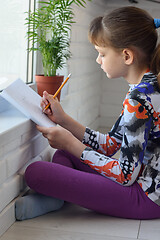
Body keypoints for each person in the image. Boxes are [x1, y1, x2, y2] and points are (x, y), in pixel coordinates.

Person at [16, 6, 160, 220]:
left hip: (145, 198)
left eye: (102, 53)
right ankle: (57, 196)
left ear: (127, 56)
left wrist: (71, 143)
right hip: (140, 183)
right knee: (64, 154)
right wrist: (64, 121)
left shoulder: (138, 99)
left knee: (36, 172)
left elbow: (125, 175)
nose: (98, 60)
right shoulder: (146, 87)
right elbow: (112, 144)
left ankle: (56, 196)